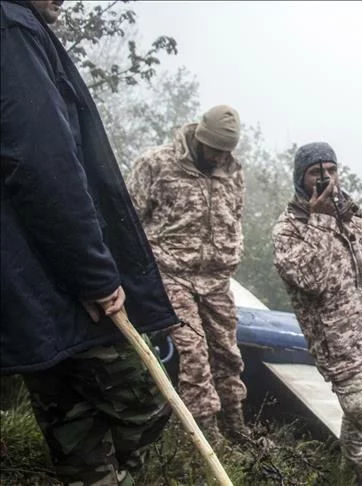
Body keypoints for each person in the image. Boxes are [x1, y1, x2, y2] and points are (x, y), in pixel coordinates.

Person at [1, 1, 177, 484]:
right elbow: (42, 164)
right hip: (59, 280)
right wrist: (95, 275)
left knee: (72, 423)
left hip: (25, 290)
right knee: (147, 400)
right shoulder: (13, 29)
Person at [272, 142, 362, 486]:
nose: (326, 179)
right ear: (301, 178)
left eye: (331, 170)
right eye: (317, 173)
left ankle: (346, 479)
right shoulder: (289, 229)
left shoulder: (354, 220)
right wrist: (319, 220)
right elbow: (310, 280)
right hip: (340, 354)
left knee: (360, 433)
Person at [126, 105, 249, 442]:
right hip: (171, 273)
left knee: (228, 354)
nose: (220, 157)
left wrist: (233, 250)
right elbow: (129, 222)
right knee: (193, 353)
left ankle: (236, 428)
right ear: (200, 138)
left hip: (216, 280)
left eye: (228, 151)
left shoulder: (233, 172)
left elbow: (234, 218)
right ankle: (205, 438)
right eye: (216, 150)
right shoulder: (156, 164)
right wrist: (136, 277)